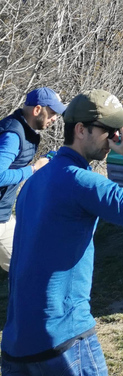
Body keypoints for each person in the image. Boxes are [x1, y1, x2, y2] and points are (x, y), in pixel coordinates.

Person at [1, 89, 123, 375]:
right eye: (109, 130)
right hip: (63, 342)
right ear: (81, 130)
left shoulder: (34, 182)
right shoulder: (84, 182)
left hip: (17, 344)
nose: (117, 137)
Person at [0, 87, 67, 272]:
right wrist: (33, 169)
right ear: (37, 110)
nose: (55, 119)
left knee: (29, 264)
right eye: (52, 113)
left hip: (4, 216)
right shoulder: (12, 135)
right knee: (28, 267)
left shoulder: (23, 131)